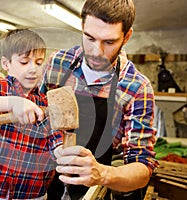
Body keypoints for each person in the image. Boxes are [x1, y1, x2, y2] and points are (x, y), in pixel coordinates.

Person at [40, 0, 159, 199]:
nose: (96, 52)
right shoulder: (58, 63)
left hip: (97, 192)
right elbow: (40, 117)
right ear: (82, 27)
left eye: (109, 42)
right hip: (47, 187)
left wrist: (102, 173)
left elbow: (142, 169)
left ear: (126, 36)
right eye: (90, 38)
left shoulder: (137, 88)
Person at [0, 29, 63, 200]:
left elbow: (55, 139)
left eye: (39, 62)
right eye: (24, 62)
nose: (33, 69)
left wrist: (63, 152)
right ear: (6, 64)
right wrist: (14, 102)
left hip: (32, 188)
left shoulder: (45, 102)